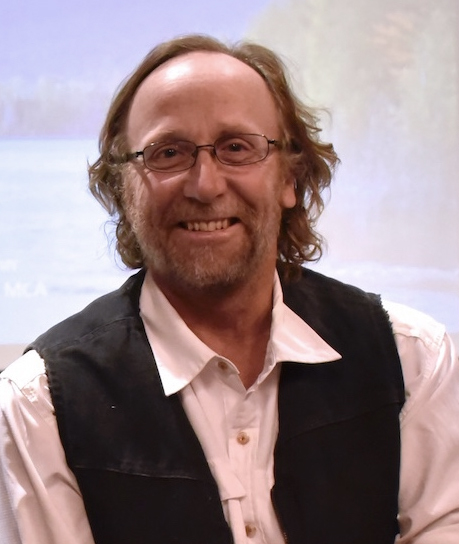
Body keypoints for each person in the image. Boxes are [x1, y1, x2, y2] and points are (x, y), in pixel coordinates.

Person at [0, 34, 458, 544]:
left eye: (237, 148)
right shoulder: (39, 406)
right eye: (168, 153)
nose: (206, 185)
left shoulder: (412, 360)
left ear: (290, 177)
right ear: (123, 190)